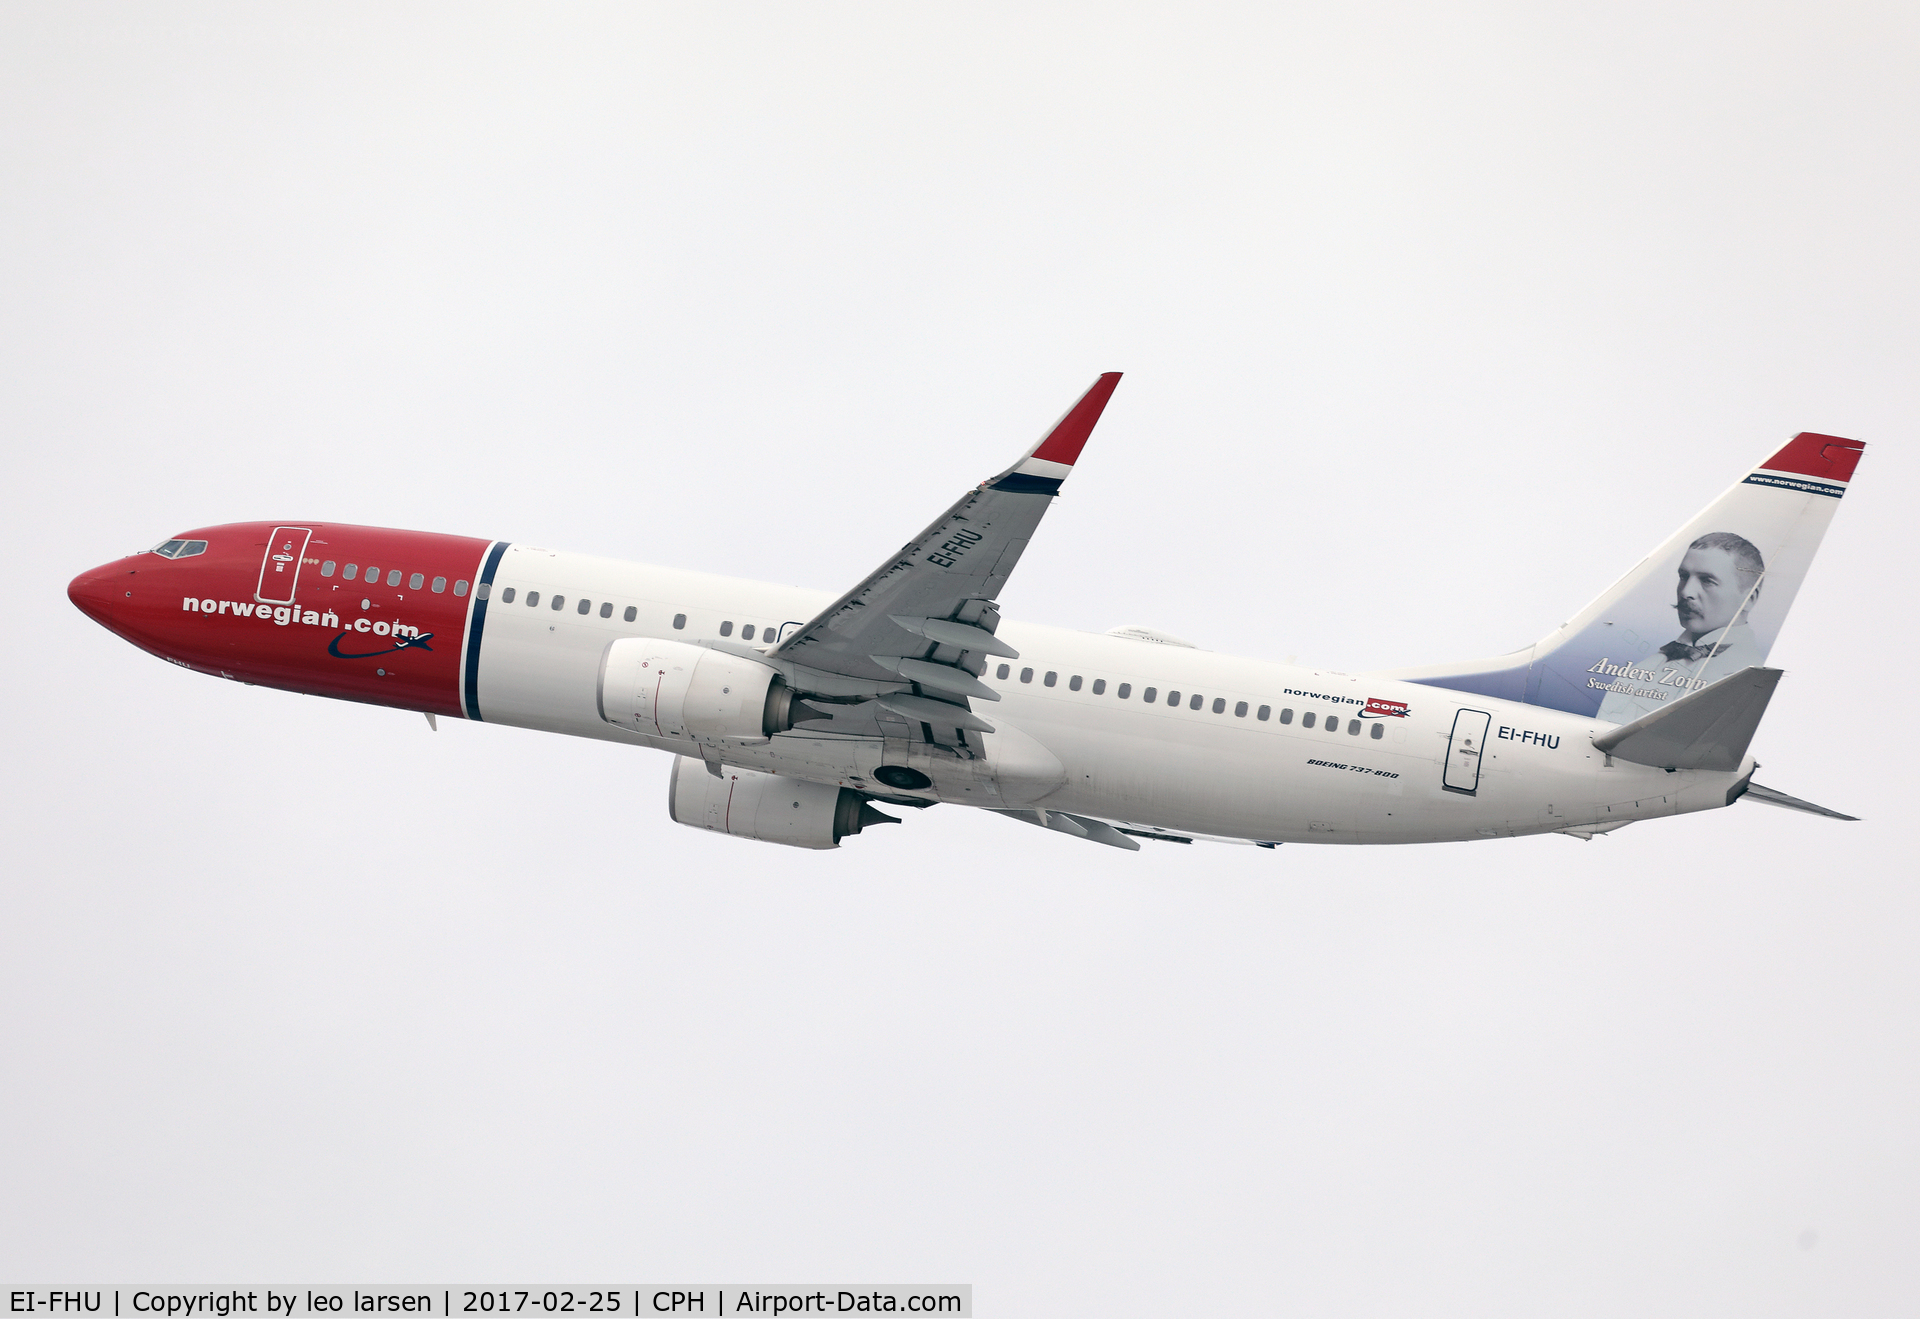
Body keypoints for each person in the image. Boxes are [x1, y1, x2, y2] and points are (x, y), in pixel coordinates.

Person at [1596, 532, 1768, 724]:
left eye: (1707, 581)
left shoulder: (1744, 681)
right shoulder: (1646, 667)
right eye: (1683, 576)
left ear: (1749, 598)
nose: (1686, 592)